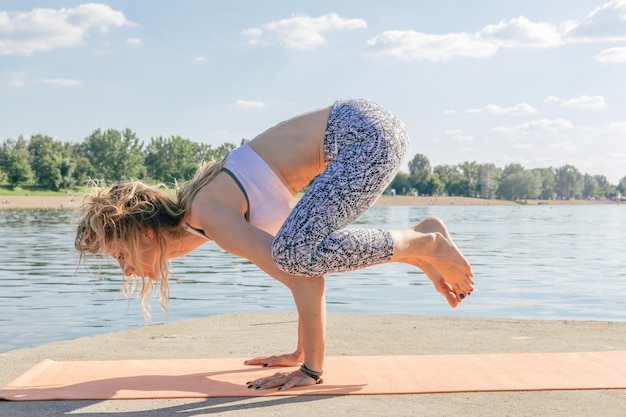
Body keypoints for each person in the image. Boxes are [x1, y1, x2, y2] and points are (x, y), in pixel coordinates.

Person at [75, 98, 474, 391]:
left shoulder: (208, 214)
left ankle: (423, 242)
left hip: (364, 136)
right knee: (298, 250)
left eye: (120, 255)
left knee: (295, 252)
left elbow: (304, 278)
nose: (125, 269)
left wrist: (310, 372)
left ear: (145, 234)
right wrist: (299, 352)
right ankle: (421, 241)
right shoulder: (210, 216)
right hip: (367, 130)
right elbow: (307, 274)